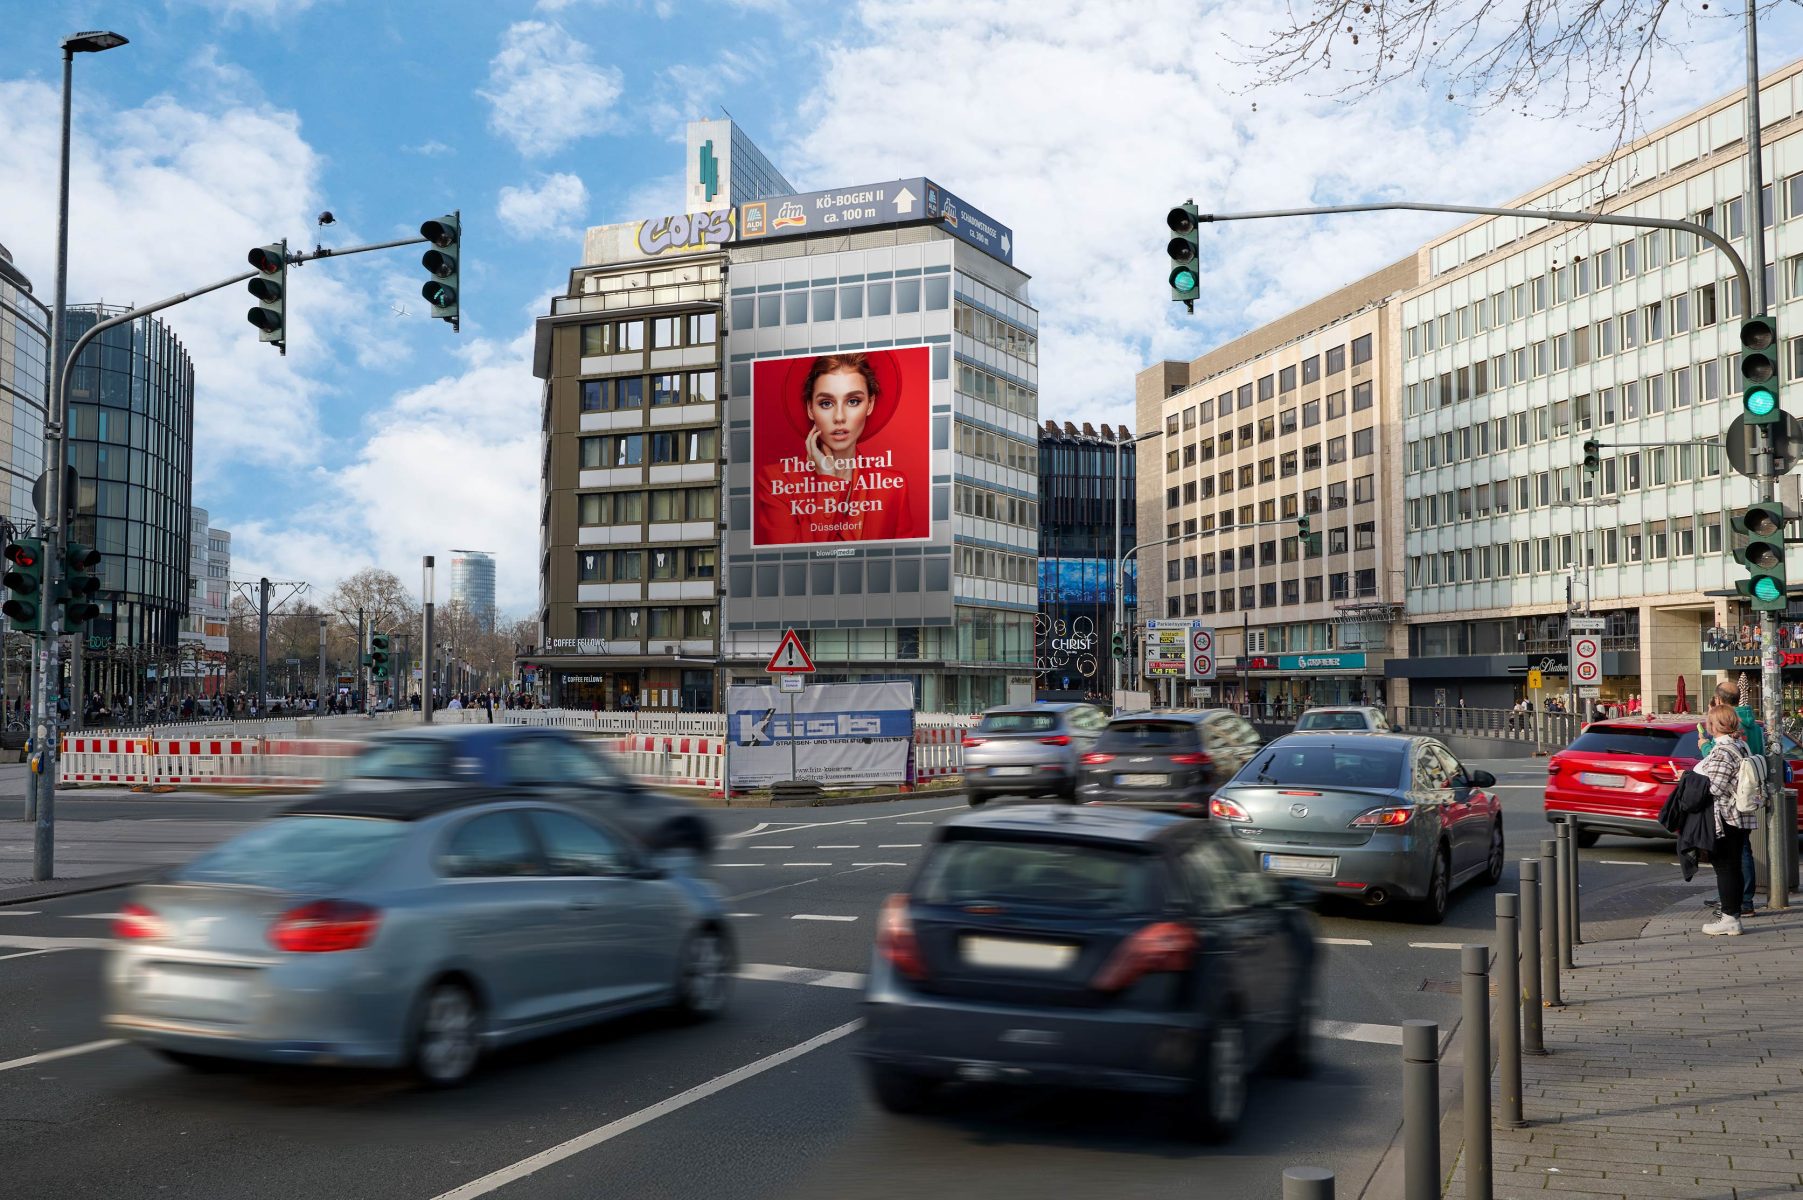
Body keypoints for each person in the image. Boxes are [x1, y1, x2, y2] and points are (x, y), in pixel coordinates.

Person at [753, 352, 920, 544]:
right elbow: (790, 561)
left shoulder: (893, 486)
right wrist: (829, 482)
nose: (839, 417)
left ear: (870, 404)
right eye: (826, 403)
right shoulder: (775, 481)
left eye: (853, 401)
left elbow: (905, 563)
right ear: (810, 409)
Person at [1698, 682, 1765, 918]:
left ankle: (1740, 901)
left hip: (1730, 801)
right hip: (1748, 794)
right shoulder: (1753, 726)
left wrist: (1705, 746)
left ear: (1718, 699)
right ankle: (1736, 898)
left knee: (1735, 856)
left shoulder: (1728, 727)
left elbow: (1720, 769)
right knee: (1741, 851)